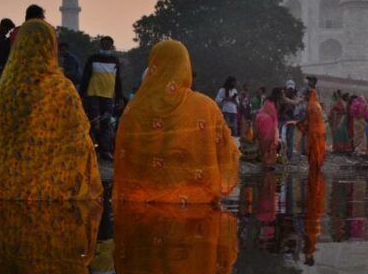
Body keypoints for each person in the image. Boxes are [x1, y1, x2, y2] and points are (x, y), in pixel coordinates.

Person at [0, 14, 102, 201]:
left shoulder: (6, 86)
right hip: (51, 186)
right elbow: (78, 134)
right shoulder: (60, 87)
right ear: (51, 46)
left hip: (13, 184)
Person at [114, 40, 241, 204]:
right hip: (194, 201)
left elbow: (126, 151)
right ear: (185, 66)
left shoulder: (135, 108)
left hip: (141, 199)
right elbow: (225, 150)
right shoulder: (205, 106)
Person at [79, 34, 124, 160]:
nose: (106, 46)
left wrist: (120, 97)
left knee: (106, 123)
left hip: (108, 95)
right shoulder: (93, 59)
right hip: (93, 94)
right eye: (104, 44)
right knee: (93, 121)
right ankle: (91, 147)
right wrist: (81, 94)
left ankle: (105, 150)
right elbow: (85, 77)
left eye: (108, 44)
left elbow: (118, 80)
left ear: (111, 46)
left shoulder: (115, 61)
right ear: (100, 45)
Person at [298, 88, 327, 170]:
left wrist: (298, 122)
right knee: (317, 147)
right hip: (320, 129)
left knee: (313, 147)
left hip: (314, 130)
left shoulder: (311, 105)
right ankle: (318, 165)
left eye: (307, 95)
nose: (306, 96)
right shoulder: (317, 105)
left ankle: (315, 165)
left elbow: (307, 117)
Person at [254, 88, 282, 168]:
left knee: (263, 142)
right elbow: (275, 116)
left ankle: (264, 160)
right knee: (270, 143)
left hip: (260, 120)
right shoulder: (275, 102)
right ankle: (268, 163)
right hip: (268, 122)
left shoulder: (267, 100)